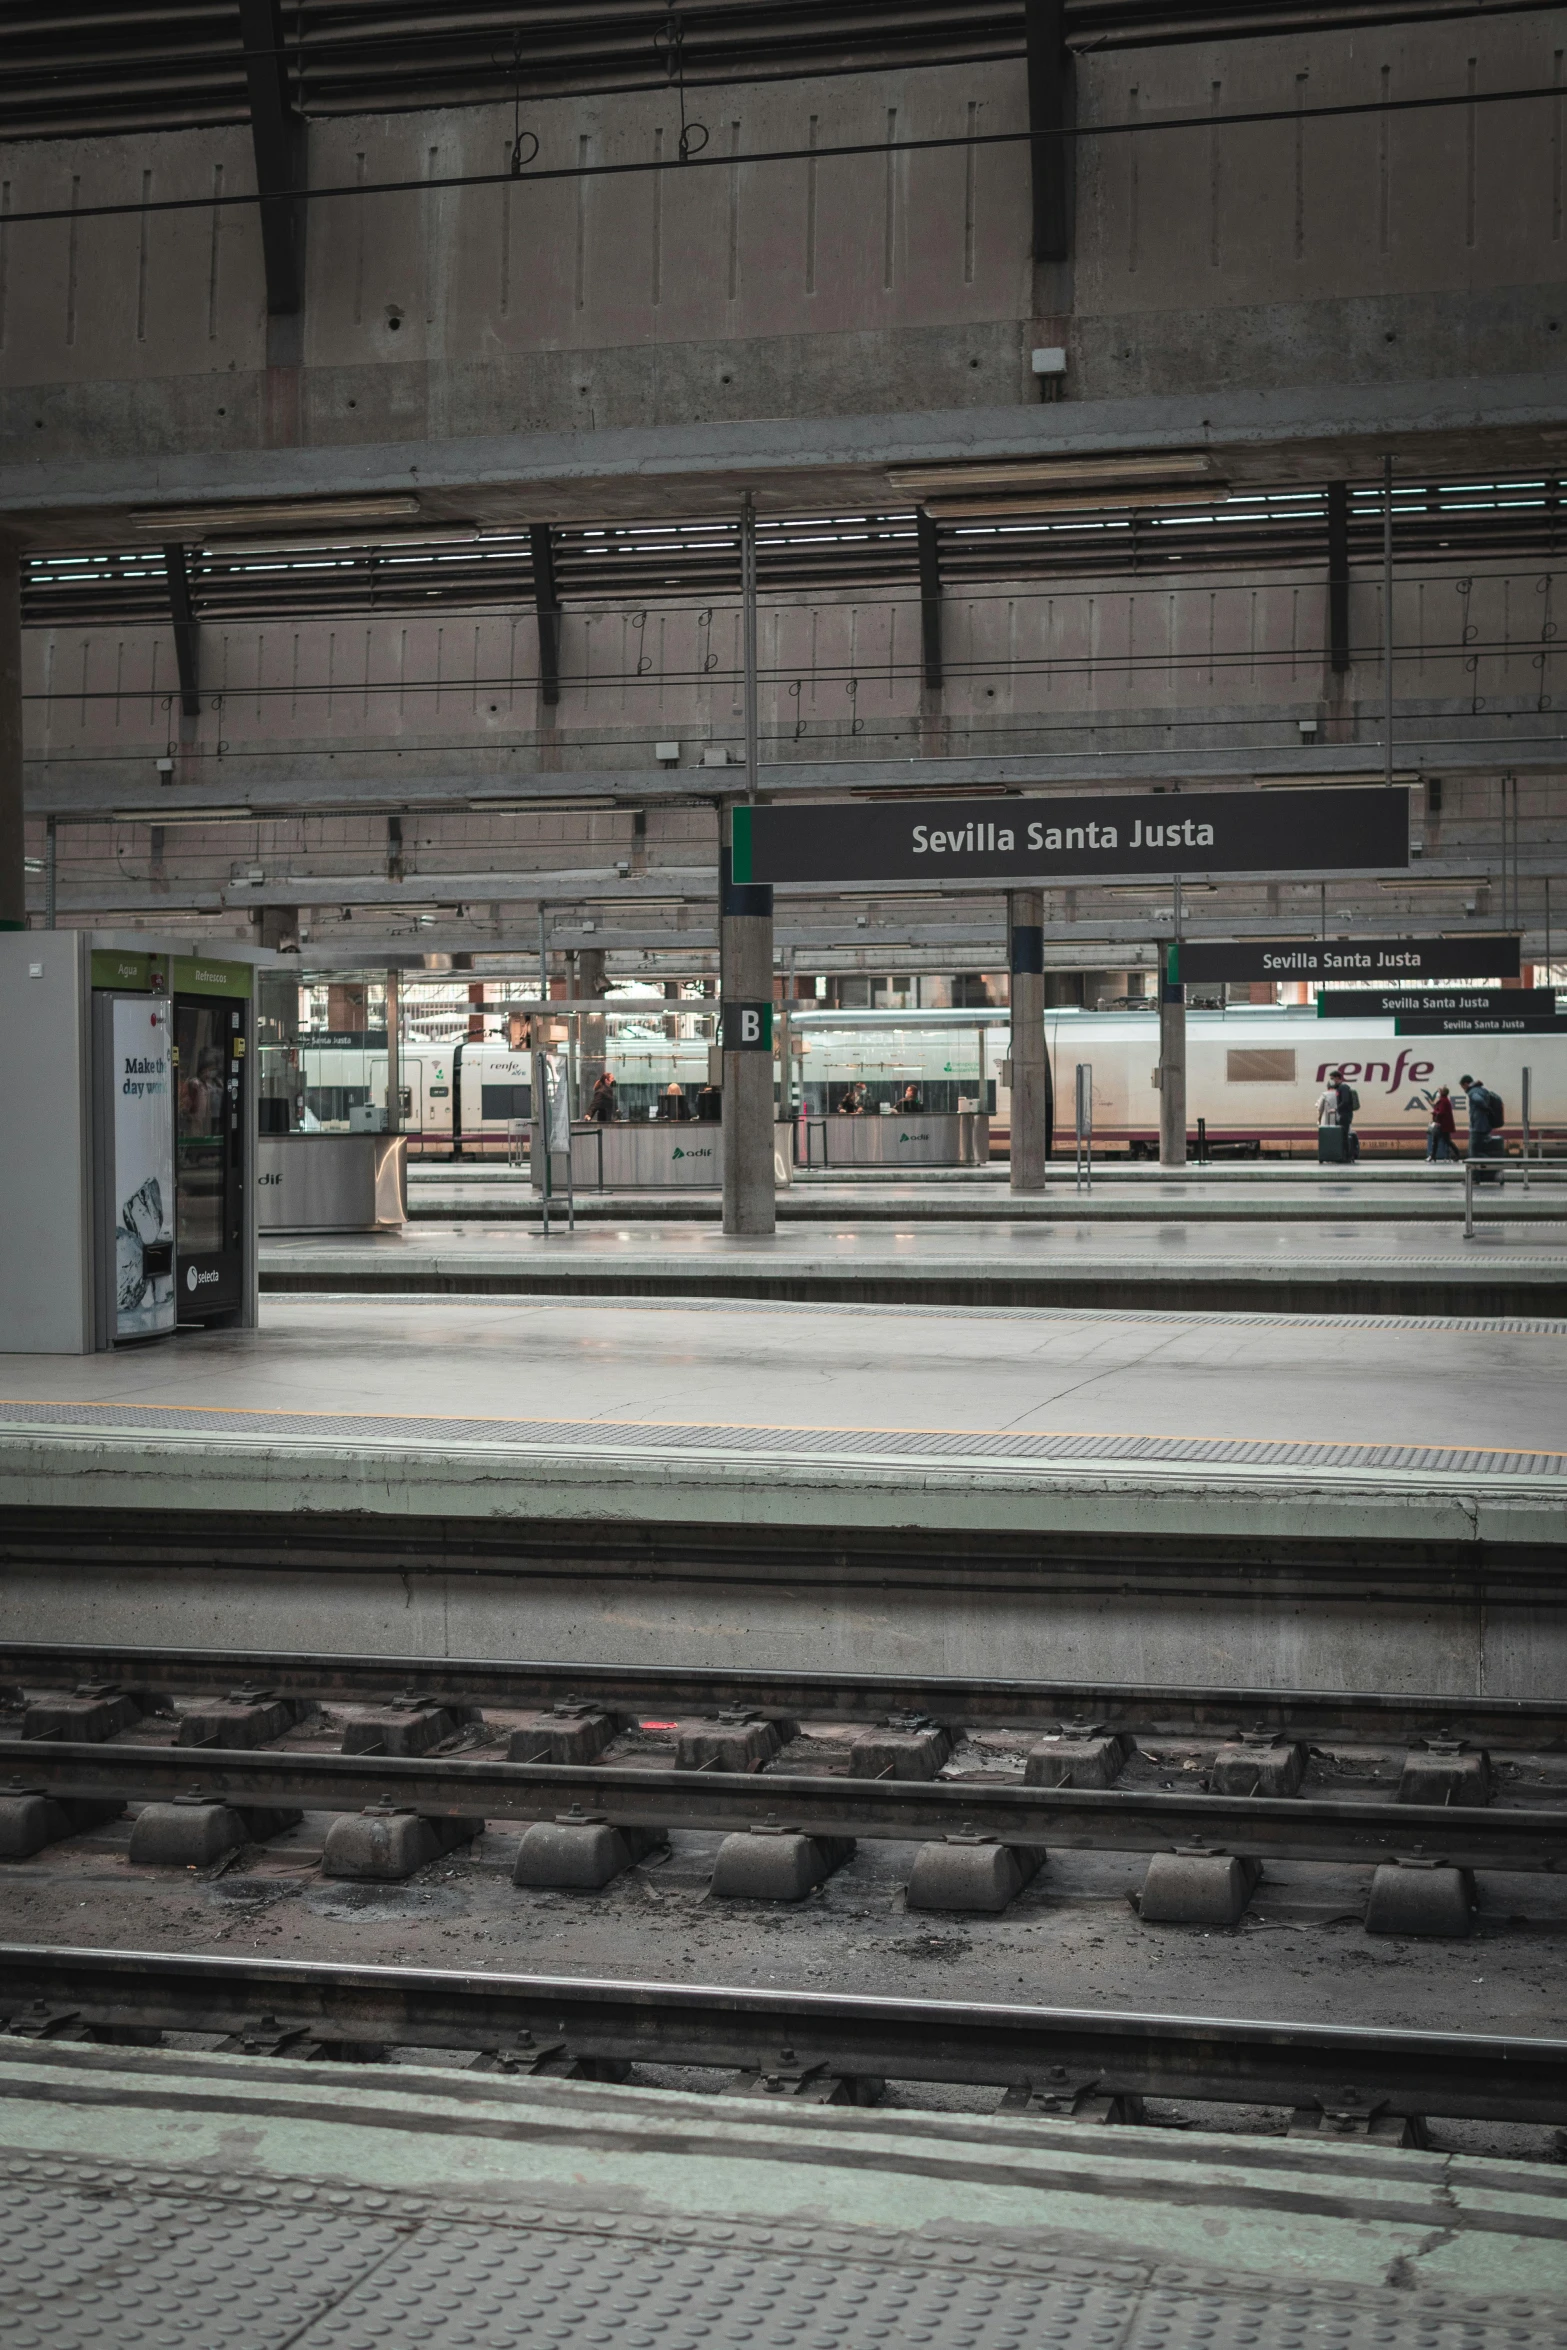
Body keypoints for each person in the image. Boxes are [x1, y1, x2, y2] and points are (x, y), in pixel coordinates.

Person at [1460, 1072, 1505, 1183]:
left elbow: (1478, 1100)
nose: (1463, 1089)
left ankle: (1490, 1170)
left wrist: (1485, 1108)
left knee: (1474, 1154)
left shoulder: (1472, 1092)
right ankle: (1478, 1177)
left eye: (1463, 1087)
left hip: (1477, 1128)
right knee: (1478, 1152)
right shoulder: (1482, 1090)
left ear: (1466, 1084)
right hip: (1485, 1126)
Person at [1316, 1070, 1344, 1161]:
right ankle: (1337, 1155)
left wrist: (1319, 1118)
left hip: (1326, 1120)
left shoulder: (1324, 1094)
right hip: (1337, 1119)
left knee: (1326, 1138)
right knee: (1337, 1138)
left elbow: (1319, 1108)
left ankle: (1327, 1156)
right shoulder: (1338, 1093)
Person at [1334, 1070, 1360, 1162]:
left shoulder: (1343, 1087)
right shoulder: (1341, 1088)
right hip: (1344, 1114)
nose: (1333, 1082)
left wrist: (1336, 1109)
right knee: (1343, 1135)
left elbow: (1345, 1101)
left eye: (1333, 1079)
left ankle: (1347, 1157)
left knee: (1344, 1136)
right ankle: (1345, 1155)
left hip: (1345, 1115)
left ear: (1337, 1078)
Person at [1427, 1085, 1457, 1161]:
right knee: (1437, 1140)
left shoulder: (1443, 1101)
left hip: (1442, 1125)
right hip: (1442, 1124)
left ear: (1442, 1093)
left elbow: (1441, 1112)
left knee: (1443, 1141)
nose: (1438, 1093)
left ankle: (1457, 1154)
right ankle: (1432, 1156)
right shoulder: (1444, 1100)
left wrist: (1434, 1112)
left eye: (1439, 1092)